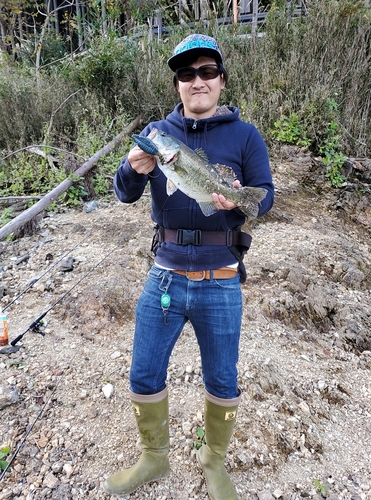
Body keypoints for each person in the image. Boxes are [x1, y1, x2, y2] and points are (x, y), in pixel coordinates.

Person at [103, 33, 274, 500]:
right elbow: (123, 194)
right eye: (185, 74)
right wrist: (131, 168)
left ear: (221, 79)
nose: (196, 81)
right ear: (177, 84)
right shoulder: (159, 136)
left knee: (222, 378)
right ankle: (153, 458)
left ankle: (213, 461)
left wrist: (235, 200)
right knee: (143, 372)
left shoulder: (246, 136)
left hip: (221, 279)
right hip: (165, 274)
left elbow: (265, 197)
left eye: (206, 72)